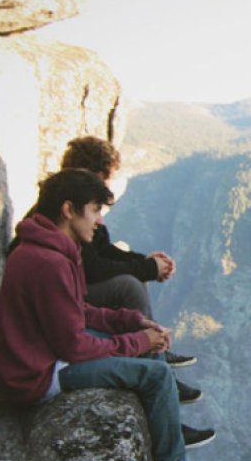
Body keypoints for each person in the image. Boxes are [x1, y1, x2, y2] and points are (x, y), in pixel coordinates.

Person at [0, 168, 231, 461]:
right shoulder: (46, 261)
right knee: (157, 375)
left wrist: (130, 322)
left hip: (44, 354)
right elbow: (73, 346)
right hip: (35, 375)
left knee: (149, 351)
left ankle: (166, 429)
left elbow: (77, 311)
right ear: (69, 210)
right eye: (94, 211)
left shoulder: (53, 248)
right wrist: (135, 342)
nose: (100, 221)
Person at [59, 136, 202, 404]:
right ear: (93, 174)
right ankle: (154, 365)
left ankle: (155, 354)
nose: (108, 186)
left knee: (135, 278)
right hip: (71, 291)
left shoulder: (77, 200)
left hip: (76, 287)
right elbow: (93, 266)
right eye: (106, 179)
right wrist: (146, 268)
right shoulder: (74, 205)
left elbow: (102, 250)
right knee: (129, 285)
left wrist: (146, 263)